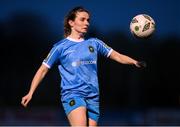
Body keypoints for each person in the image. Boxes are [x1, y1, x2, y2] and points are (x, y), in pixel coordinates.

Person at [21, 6, 146, 126]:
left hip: (93, 95)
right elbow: (43, 70)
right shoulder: (60, 47)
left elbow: (117, 56)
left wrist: (134, 62)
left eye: (88, 20)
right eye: (82, 19)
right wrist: (30, 92)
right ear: (71, 22)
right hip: (73, 94)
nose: (87, 23)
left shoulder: (95, 43)